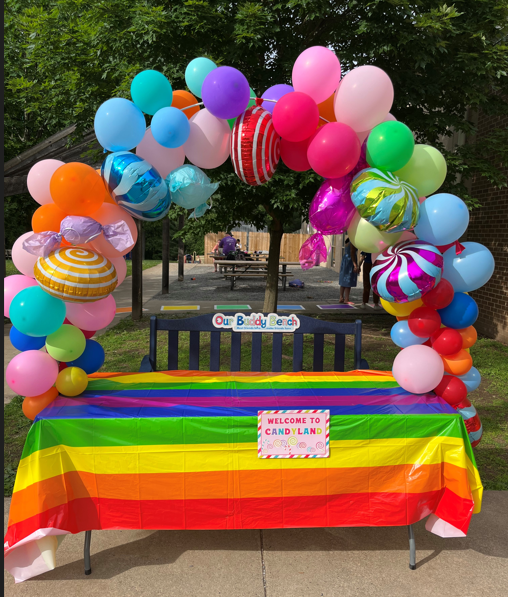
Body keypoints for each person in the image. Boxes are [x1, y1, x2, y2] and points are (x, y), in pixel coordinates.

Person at [338, 237, 358, 304]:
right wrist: (355, 264)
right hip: (349, 261)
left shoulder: (347, 242)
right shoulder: (352, 243)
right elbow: (352, 253)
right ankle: (346, 299)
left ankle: (341, 297)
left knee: (343, 279)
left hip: (345, 260)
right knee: (348, 279)